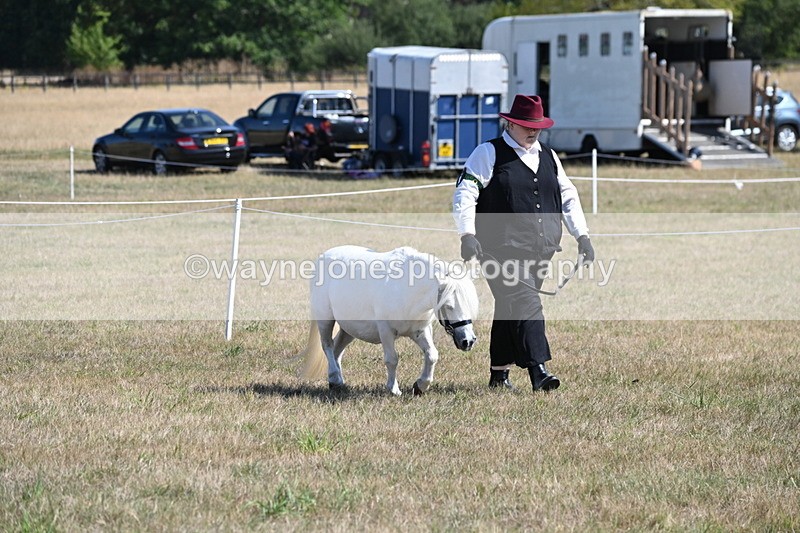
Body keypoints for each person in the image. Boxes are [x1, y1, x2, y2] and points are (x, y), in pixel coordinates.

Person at [452, 94, 594, 392]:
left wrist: (582, 235)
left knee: (510, 305)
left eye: (538, 126)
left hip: (541, 248)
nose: (533, 131)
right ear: (510, 123)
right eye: (526, 125)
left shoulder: (550, 157)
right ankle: (539, 371)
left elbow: (568, 196)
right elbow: (466, 193)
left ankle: (498, 375)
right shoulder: (487, 153)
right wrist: (467, 234)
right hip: (498, 248)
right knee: (527, 303)